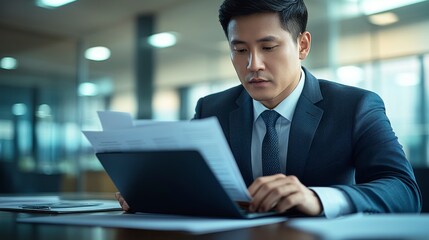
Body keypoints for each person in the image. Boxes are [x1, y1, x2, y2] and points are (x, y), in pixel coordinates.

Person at [116, 0, 422, 218]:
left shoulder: (356, 106)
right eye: (239, 50)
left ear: (302, 45)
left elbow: (404, 191)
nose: (253, 65)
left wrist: (318, 197)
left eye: (268, 47)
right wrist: (154, 193)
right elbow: (193, 184)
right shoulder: (212, 109)